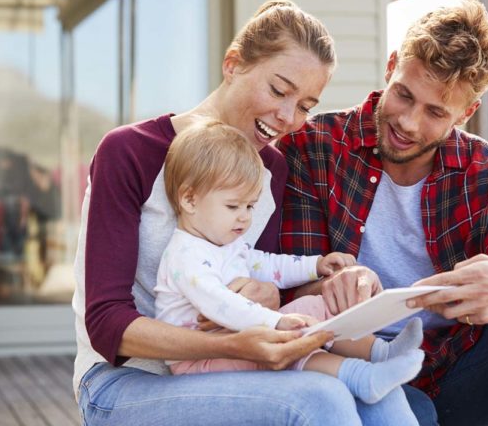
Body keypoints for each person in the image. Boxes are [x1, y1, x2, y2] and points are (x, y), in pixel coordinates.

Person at [72, 0, 437, 425]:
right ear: (233, 64)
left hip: (232, 369)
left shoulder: (271, 169)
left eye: (305, 105)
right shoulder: (130, 152)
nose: (287, 117)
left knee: (384, 397)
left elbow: (255, 276)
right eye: (279, 90)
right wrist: (232, 344)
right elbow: (107, 323)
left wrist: (289, 288)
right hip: (123, 382)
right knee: (319, 399)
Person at [277, 0, 488, 425]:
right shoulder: (313, 148)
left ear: (466, 112)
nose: (409, 123)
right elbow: (286, 289)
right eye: (404, 95)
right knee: (410, 411)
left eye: (435, 112)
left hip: (455, 368)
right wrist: (330, 285)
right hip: (349, 368)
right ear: (392, 65)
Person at [154, 119, 424, 420]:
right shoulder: (185, 255)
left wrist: (316, 265)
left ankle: (380, 352)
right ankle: (361, 376)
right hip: (200, 362)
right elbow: (221, 304)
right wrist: (276, 323)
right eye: (233, 207)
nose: (244, 218)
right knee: (289, 343)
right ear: (189, 199)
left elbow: (267, 264)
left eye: (250, 207)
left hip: (234, 339)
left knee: (317, 304)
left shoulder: (225, 243)